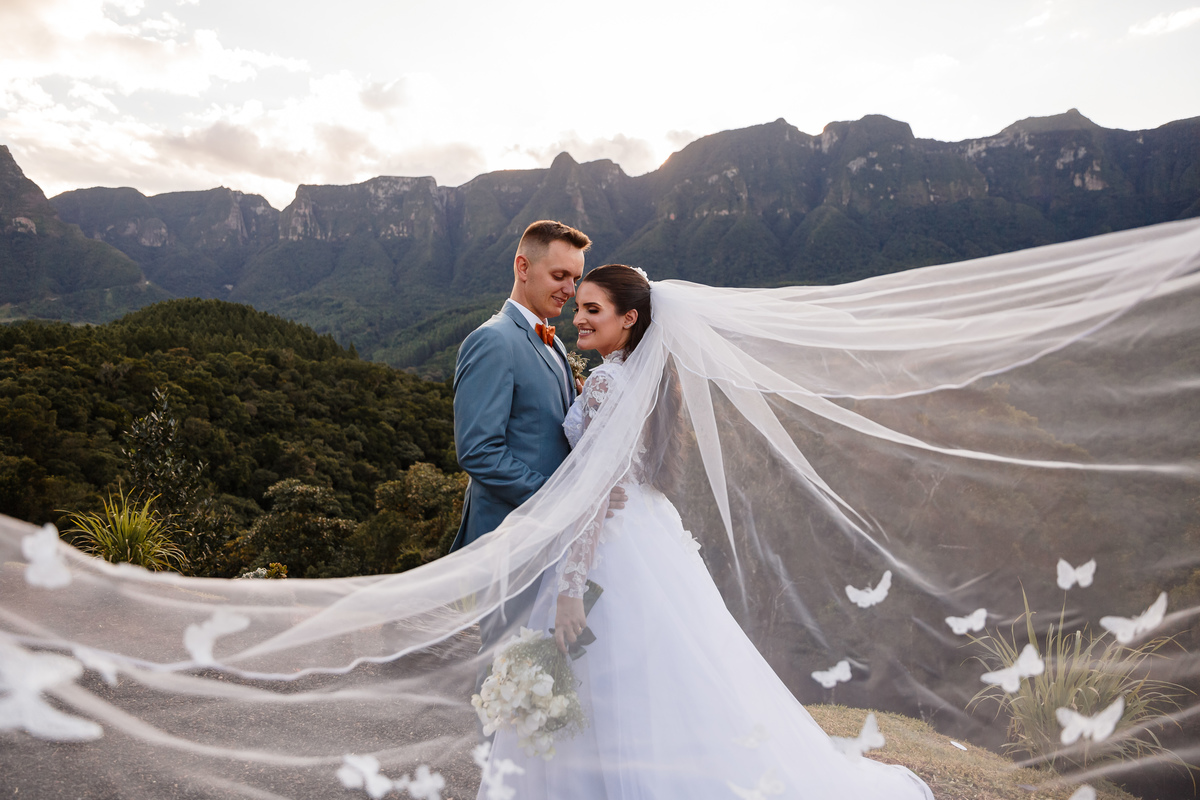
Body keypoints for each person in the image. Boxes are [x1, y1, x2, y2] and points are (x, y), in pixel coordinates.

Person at [479, 265, 936, 799]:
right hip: (649, 534)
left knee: (605, 677)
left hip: (611, 544)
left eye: (592, 309)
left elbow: (598, 489)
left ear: (629, 318)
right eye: (578, 307)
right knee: (662, 680)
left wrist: (572, 586)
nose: (578, 318)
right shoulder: (646, 378)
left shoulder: (607, 379)